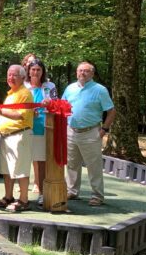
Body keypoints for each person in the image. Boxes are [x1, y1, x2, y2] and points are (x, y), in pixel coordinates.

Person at [62, 61, 115, 206]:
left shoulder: (100, 90)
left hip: (91, 132)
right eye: (80, 70)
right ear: (76, 72)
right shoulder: (70, 88)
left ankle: (97, 196)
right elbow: (62, 106)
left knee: (94, 166)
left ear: (92, 73)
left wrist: (104, 129)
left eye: (86, 71)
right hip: (71, 131)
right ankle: (72, 191)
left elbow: (111, 111)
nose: (82, 73)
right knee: (72, 164)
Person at [0, 65, 34, 212]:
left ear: (23, 77)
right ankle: (8, 196)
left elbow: (21, 115)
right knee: (6, 169)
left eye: (15, 75)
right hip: (6, 137)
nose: (11, 77)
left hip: (19, 135)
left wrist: (1, 110)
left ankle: (23, 200)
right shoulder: (11, 94)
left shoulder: (25, 93)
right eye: (9, 74)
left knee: (20, 169)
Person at [24, 59, 58, 205]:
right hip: (25, 127)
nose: (35, 72)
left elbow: (57, 104)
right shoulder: (23, 86)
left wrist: (49, 104)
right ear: (28, 71)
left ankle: (43, 194)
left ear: (43, 71)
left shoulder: (49, 86)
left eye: (38, 69)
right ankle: (22, 195)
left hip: (43, 127)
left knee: (41, 160)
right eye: (33, 69)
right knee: (24, 159)